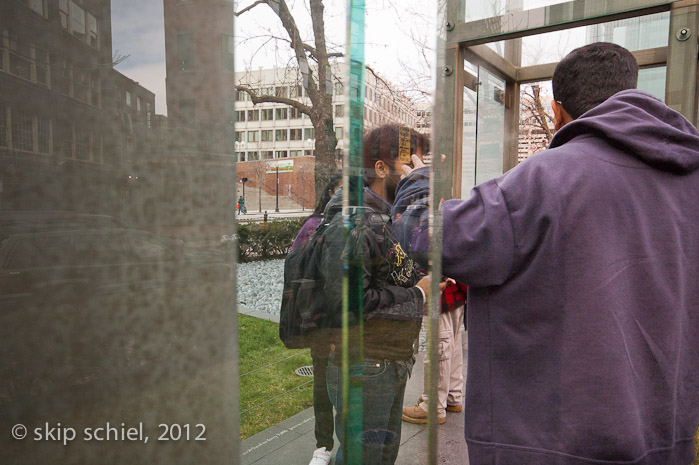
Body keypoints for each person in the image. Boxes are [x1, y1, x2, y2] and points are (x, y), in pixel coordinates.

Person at [399, 42, 699, 465]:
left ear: (557, 112)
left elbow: (428, 237)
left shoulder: (546, 179)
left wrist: (416, 178)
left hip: (553, 442)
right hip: (666, 437)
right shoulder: (690, 177)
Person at [320, 124, 434, 465]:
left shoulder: (383, 217)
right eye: (408, 159)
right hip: (365, 363)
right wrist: (418, 295)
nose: (416, 164)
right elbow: (350, 305)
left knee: (379, 456)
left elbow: (390, 273)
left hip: (385, 359)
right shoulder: (356, 220)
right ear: (380, 169)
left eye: (420, 157)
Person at [388, 142, 466, 426]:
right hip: (456, 288)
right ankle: (453, 398)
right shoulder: (445, 203)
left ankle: (433, 406)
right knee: (452, 344)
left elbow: (418, 244)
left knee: (439, 347)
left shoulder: (426, 210)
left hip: (440, 290)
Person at [289, 174, 342, 465]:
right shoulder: (313, 226)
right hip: (322, 322)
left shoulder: (363, 225)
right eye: (340, 190)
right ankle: (323, 444)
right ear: (330, 193)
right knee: (322, 383)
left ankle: (344, 442)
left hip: (354, 322)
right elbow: (295, 267)